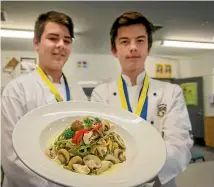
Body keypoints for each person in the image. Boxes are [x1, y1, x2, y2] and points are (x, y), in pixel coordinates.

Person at [91, 11, 193, 187]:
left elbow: (179, 145)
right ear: (114, 50)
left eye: (140, 40)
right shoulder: (100, 94)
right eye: (125, 41)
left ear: (148, 48)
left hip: (161, 181)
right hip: (115, 181)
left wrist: (145, 172)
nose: (133, 47)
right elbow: (99, 144)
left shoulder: (171, 92)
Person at [1, 11, 87, 187]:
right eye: (53, 38)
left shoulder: (78, 92)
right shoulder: (17, 91)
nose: (61, 45)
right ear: (36, 43)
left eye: (67, 40)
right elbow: (11, 158)